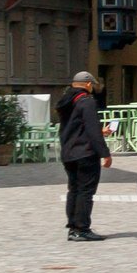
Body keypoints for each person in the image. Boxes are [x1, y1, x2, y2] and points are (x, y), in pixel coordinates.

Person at [58, 71, 112, 241]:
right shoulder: (86, 101)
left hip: (69, 152)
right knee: (85, 191)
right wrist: (105, 154)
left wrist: (99, 131)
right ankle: (82, 229)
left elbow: (75, 127)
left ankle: (73, 226)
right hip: (85, 153)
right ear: (88, 84)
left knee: (73, 190)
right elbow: (91, 129)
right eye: (92, 85)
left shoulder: (65, 101)